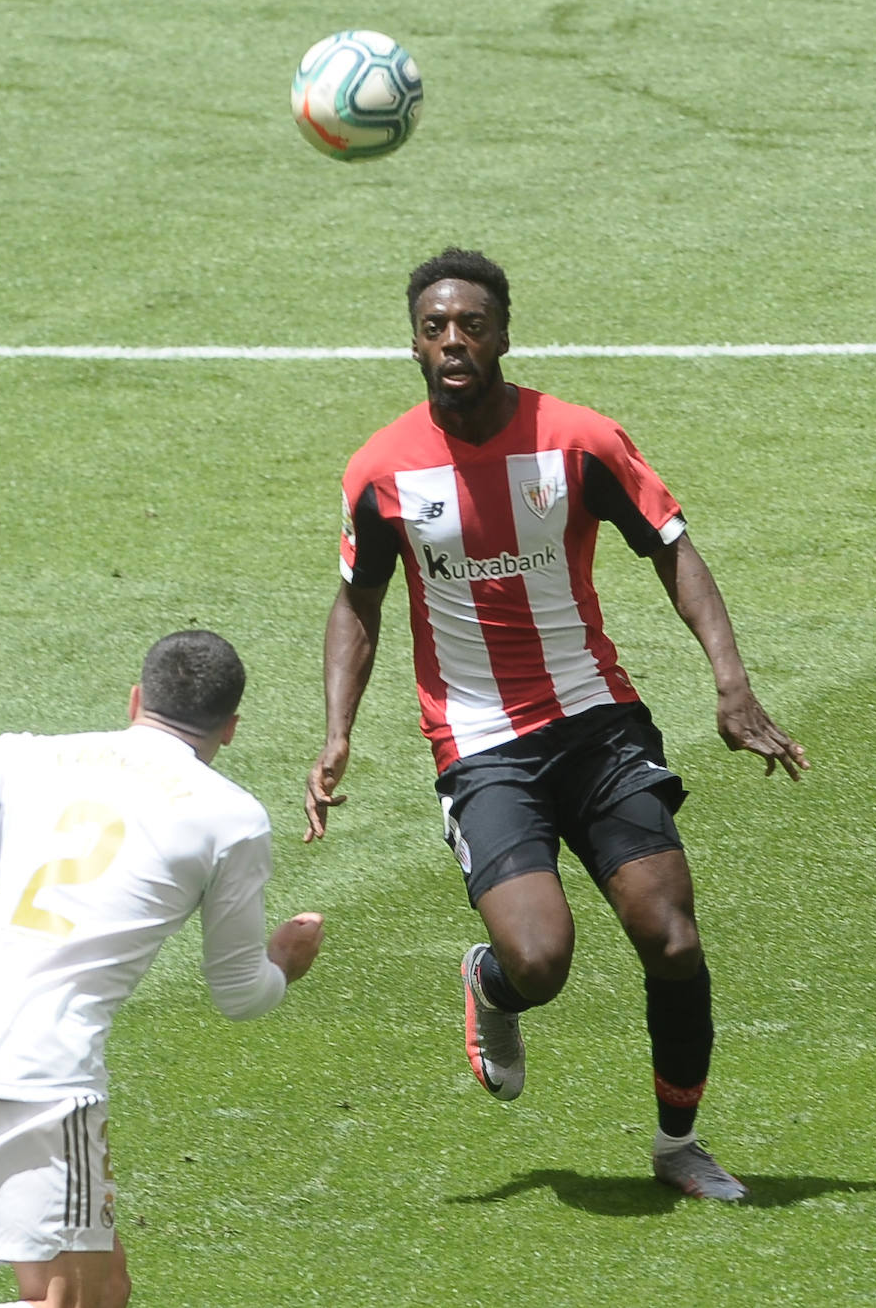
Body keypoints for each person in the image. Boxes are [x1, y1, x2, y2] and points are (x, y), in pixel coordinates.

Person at [305, 248, 807, 1202]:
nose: (454, 341)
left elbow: (673, 549)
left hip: (597, 723)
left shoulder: (577, 440)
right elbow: (357, 601)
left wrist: (732, 687)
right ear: (415, 341)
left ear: (502, 332)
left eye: (472, 324)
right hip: (481, 744)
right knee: (543, 959)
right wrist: (337, 732)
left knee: (671, 938)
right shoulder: (382, 471)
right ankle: (493, 983)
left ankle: (677, 1144)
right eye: (435, 326)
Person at [0, 630, 324, 1308]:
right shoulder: (232, 818)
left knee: (106, 1290)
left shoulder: (20, 755)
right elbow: (238, 993)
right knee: (69, 1305)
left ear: (136, 699)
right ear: (230, 728)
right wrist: (284, 962)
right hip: (44, 1080)